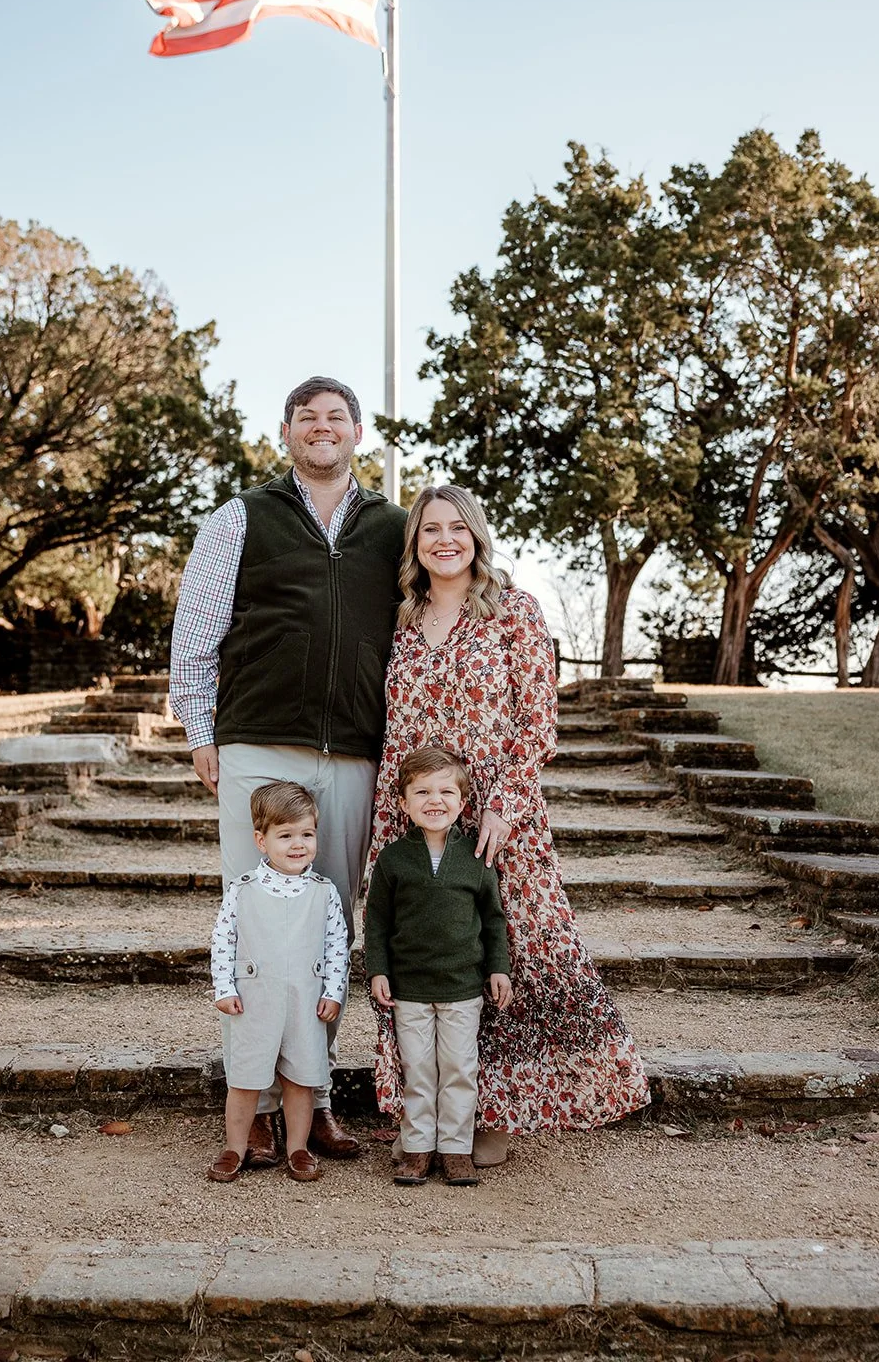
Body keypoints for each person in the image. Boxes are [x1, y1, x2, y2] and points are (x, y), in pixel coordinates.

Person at [366, 485, 651, 1168]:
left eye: (455, 528)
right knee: (418, 953)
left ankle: (493, 1112)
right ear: (414, 544)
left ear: (475, 535)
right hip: (405, 810)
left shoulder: (513, 610)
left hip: (496, 811)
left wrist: (503, 805)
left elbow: (536, 722)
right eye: (428, 529)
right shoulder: (398, 618)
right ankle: (424, 1115)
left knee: (506, 953)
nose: (443, 540)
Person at [170, 375, 407, 1166]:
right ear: (286, 434)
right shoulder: (240, 517)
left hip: (353, 751)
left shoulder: (393, 527)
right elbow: (195, 634)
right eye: (306, 418)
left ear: (357, 433)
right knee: (257, 929)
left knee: (323, 929)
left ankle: (314, 1096)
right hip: (256, 744)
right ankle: (258, 1103)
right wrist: (202, 730)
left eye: (336, 417)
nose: (322, 427)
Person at [364, 746, 512, 1186]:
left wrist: (498, 969)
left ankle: (455, 1149)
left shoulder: (476, 857)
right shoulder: (392, 860)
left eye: (447, 791)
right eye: (422, 791)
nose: (435, 800)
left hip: (463, 989)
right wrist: (378, 970)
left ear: (463, 803)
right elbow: (376, 920)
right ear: (404, 804)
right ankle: (417, 1147)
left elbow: (493, 919)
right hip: (408, 989)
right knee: (419, 1072)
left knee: (459, 1070)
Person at [207, 782, 348, 1182]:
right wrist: (225, 988)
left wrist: (333, 991)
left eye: (306, 834)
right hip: (255, 998)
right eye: (285, 836)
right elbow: (223, 940)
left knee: (301, 1079)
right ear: (261, 840)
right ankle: (235, 1147)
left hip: (306, 999)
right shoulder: (243, 890)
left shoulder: (324, 892)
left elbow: (337, 945)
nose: (298, 844)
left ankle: (298, 1148)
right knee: (246, 1078)